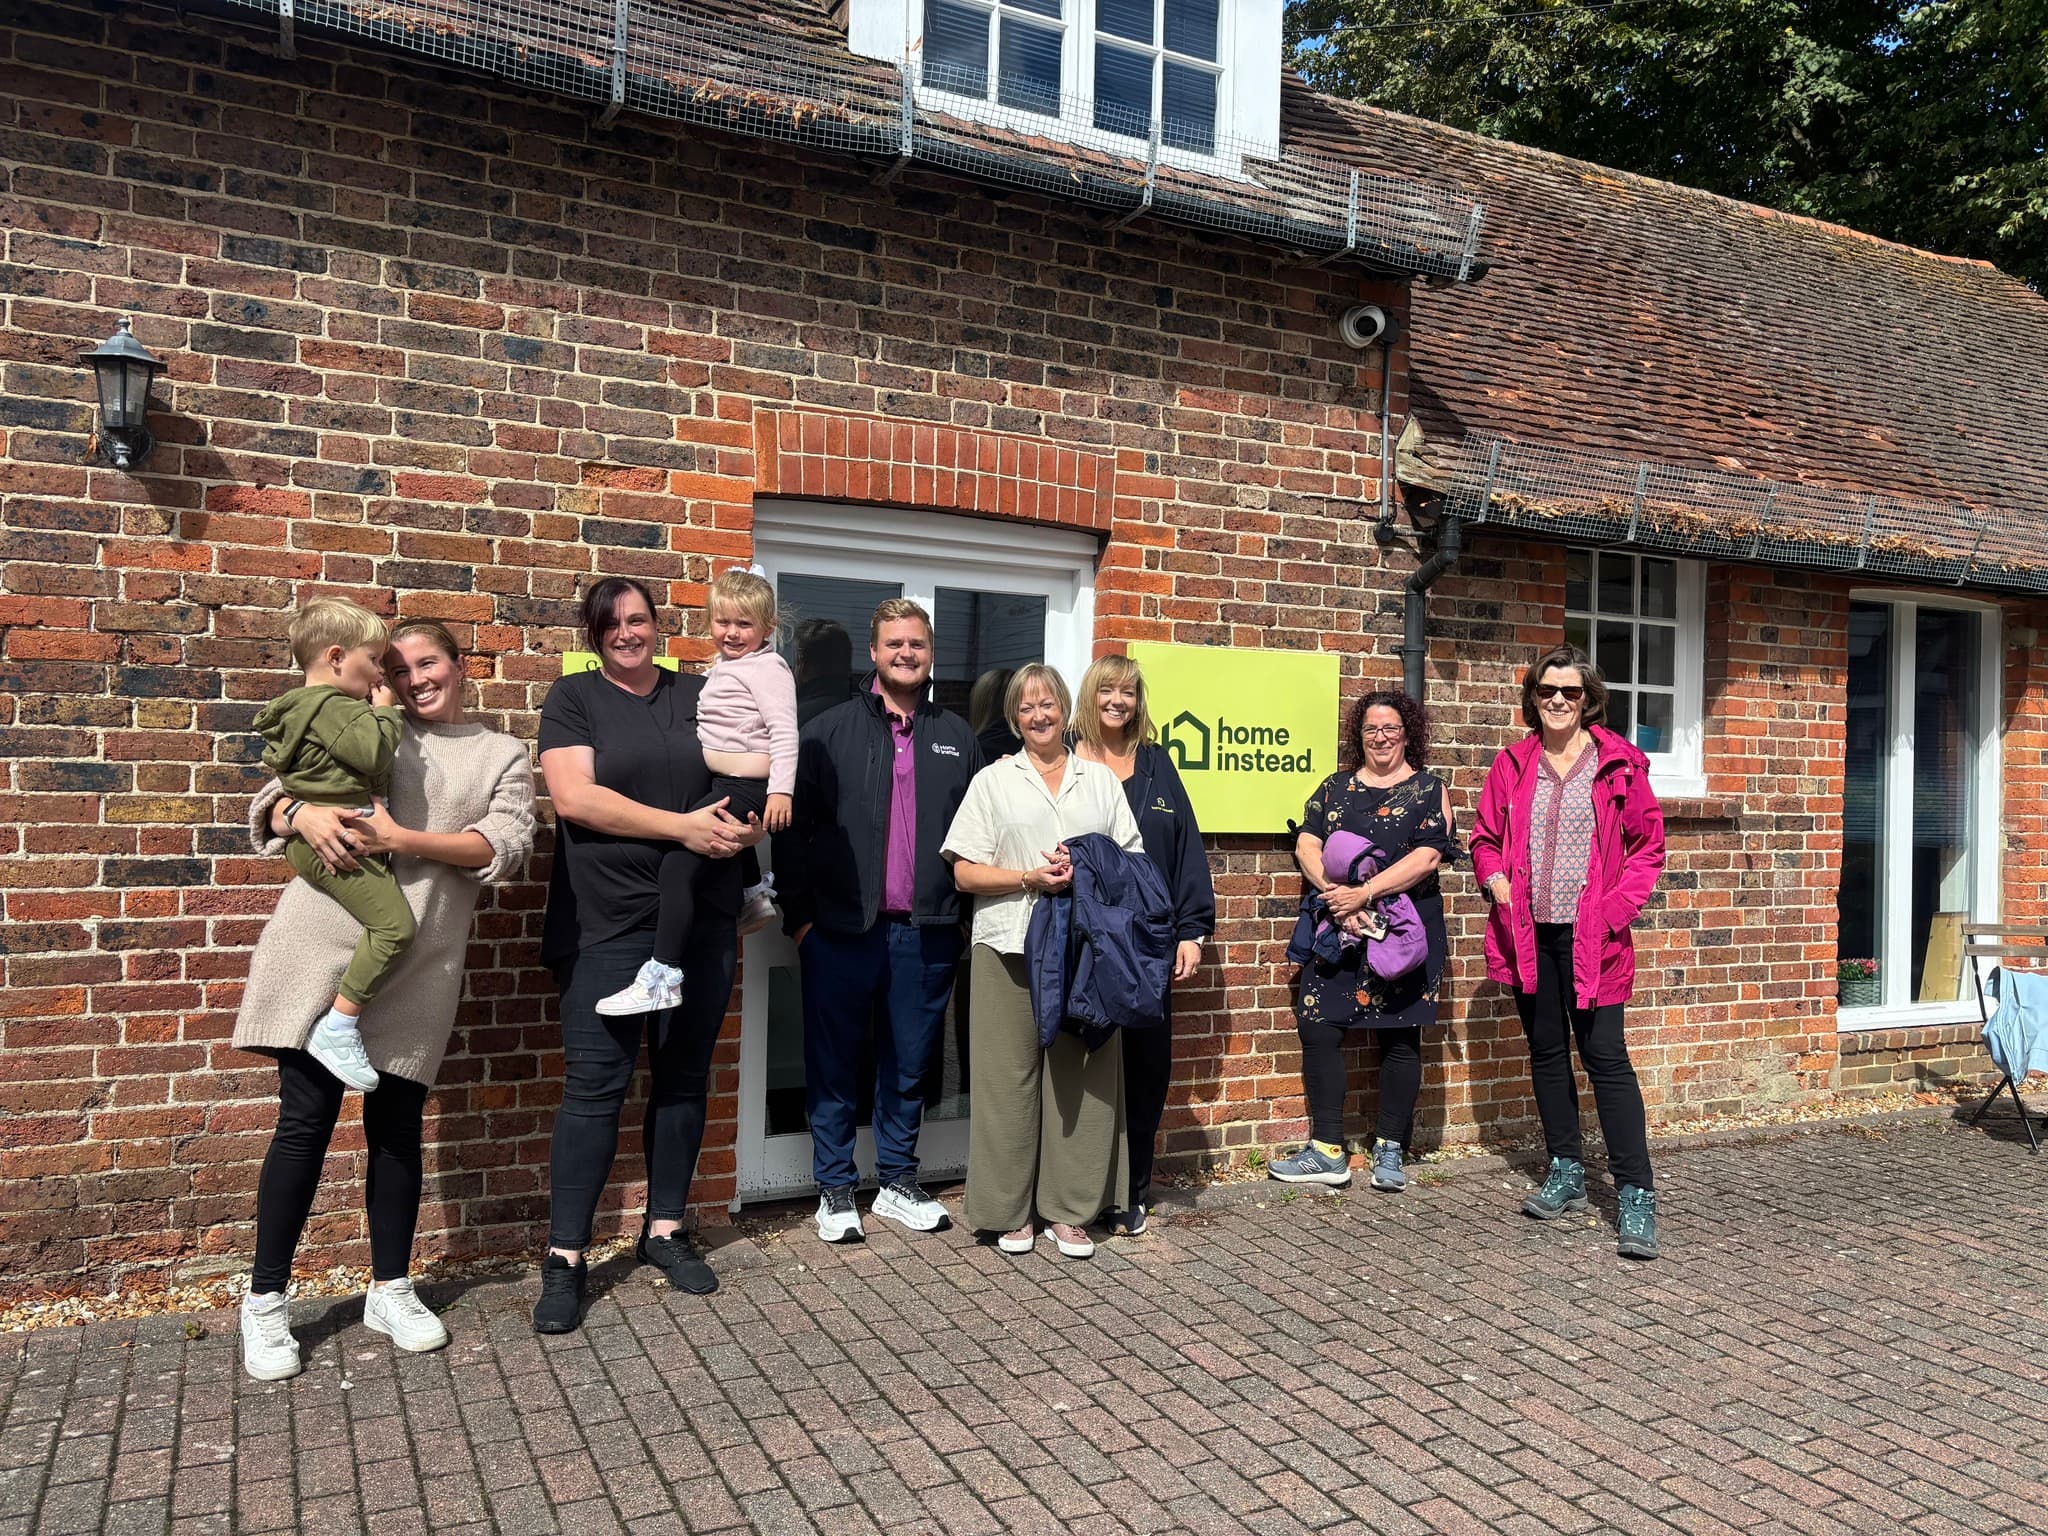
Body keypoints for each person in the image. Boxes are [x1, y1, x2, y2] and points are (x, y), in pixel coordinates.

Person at [234, 619, 535, 1381]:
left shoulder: (502, 754)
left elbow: (503, 848)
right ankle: (265, 1302)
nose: (414, 679)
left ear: (460, 666)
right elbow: (276, 796)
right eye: (399, 668)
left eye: (428, 663)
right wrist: (296, 813)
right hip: (319, 950)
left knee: (397, 1130)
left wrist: (404, 838)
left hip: (422, 961)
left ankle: (390, 1289)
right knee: (303, 1124)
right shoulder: (368, 723)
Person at [533, 576, 765, 1333]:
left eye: (639, 619)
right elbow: (576, 799)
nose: (628, 633)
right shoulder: (574, 701)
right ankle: (565, 1256)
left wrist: (747, 827)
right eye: (612, 624)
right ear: (594, 634)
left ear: (659, 624)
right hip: (606, 922)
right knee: (596, 1088)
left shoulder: (701, 693)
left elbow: (748, 775)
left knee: (683, 1077)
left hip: (699, 918)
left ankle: (665, 1230)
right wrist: (683, 828)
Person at [774, 598, 983, 1243]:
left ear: (930, 653)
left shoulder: (958, 736)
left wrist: (963, 918)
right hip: (840, 930)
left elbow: (980, 834)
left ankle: (896, 1181)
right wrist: (801, 920)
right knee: (835, 1062)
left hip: (927, 931)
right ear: (873, 653)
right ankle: (835, 1189)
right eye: (894, 643)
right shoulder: (828, 730)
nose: (905, 653)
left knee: (909, 1063)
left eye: (916, 644)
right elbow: (792, 833)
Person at [1470, 644, 1668, 1259]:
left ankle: (1635, 1192)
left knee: (1605, 1057)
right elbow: (1484, 838)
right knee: (1547, 1051)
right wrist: (1494, 877)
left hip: (1594, 940)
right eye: (1547, 691)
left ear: (1589, 699)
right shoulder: (1512, 762)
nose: (1558, 700)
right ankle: (1566, 1169)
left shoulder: (1619, 765)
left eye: (1570, 692)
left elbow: (1647, 850)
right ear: (1532, 699)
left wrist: (1611, 913)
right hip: (1528, 934)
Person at [942, 664, 1145, 1260]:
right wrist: (1028, 877)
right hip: (1008, 942)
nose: (1039, 716)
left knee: (1080, 1075)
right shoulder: (992, 782)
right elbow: (963, 870)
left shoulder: (1101, 781)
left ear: (1064, 710)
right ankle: (1010, 1212)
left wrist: (1087, 868)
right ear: (1013, 718)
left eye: (1048, 704)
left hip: (1085, 951)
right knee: (1007, 1080)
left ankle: (1072, 1210)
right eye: (1026, 708)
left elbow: (1131, 861)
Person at [1270, 690, 1456, 1194]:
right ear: (1359, 735)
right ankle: (1328, 1149)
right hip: (1338, 926)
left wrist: (1366, 894)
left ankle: (1391, 1146)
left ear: (1407, 733)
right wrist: (1337, 897)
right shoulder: (1333, 788)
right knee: (1319, 1026)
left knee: (1400, 1036)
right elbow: (1307, 841)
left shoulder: (1428, 789)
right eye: (1371, 729)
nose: (1380, 737)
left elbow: (1427, 858)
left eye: (1391, 728)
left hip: (1402, 931)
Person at [594, 568, 795, 1015]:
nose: (732, 632)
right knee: (713, 827)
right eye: (723, 622)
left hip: (749, 783)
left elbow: (784, 731)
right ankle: (750, 893)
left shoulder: (769, 668)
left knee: (678, 865)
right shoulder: (727, 667)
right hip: (727, 781)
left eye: (745, 624)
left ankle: (663, 973)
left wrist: (781, 792)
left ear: (768, 628)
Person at [1070, 654, 1214, 1235]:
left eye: (1127, 692)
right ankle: (1077, 1190)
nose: (1117, 702)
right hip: (1079, 940)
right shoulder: (1064, 757)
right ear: (1091, 694)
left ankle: (1131, 1189)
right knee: (1082, 1063)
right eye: (1107, 690)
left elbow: (1186, 852)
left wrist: (1192, 931)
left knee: (1147, 1068)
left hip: (1148, 945)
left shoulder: (1157, 765)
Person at [251, 597, 414, 1093]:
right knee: (395, 929)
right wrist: (387, 713)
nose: (379, 677)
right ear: (337, 657)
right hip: (338, 837)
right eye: (373, 661)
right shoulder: (333, 707)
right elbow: (371, 751)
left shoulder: (302, 708)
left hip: (321, 836)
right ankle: (338, 1026)